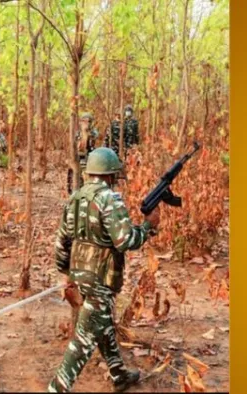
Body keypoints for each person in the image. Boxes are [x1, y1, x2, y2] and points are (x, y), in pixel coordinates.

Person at [48, 147, 161, 393]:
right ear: (110, 175)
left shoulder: (75, 197)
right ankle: (56, 387)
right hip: (101, 277)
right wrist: (148, 227)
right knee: (82, 342)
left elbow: (62, 240)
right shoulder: (110, 199)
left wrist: (66, 272)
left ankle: (119, 375)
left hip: (79, 273)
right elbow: (125, 240)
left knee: (102, 325)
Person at [67, 112, 100, 194]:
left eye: (88, 121)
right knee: (75, 176)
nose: (86, 123)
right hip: (79, 158)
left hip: (90, 158)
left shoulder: (93, 132)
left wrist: (87, 132)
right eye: (84, 121)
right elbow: (77, 144)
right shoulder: (78, 133)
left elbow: (95, 136)